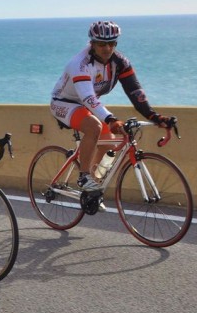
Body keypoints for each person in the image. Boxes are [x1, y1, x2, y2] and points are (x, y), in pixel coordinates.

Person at [50, 20, 174, 192]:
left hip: (87, 104)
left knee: (110, 145)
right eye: (101, 44)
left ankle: (92, 189)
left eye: (111, 43)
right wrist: (111, 119)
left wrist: (154, 117)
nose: (107, 48)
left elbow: (135, 92)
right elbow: (87, 97)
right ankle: (84, 177)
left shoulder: (120, 62)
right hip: (63, 103)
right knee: (94, 126)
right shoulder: (80, 64)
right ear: (92, 43)